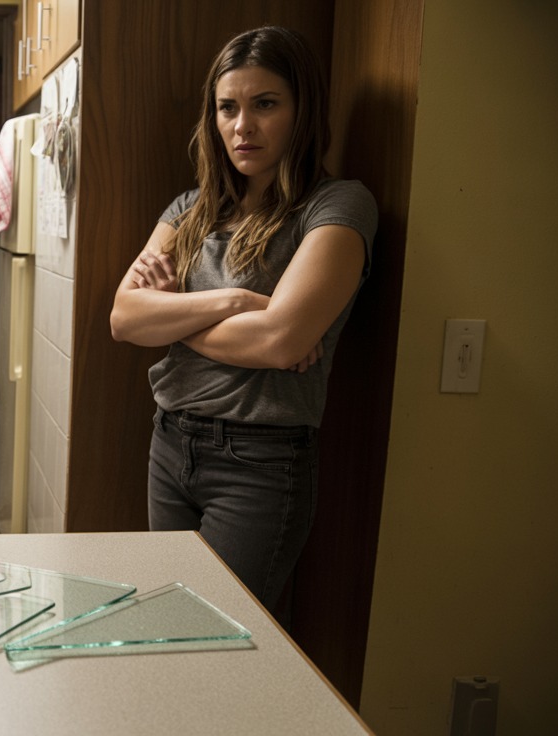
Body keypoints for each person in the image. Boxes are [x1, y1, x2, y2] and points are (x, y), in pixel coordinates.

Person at [109, 26, 377, 613]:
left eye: (265, 105)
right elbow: (125, 317)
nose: (242, 126)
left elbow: (282, 341)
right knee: (167, 622)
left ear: (301, 111)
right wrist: (237, 303)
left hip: (261, 464)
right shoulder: (190, 208)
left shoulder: (337, 206)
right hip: (171, 443)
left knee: (211, 635)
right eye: (228, 107)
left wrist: (175, 311)